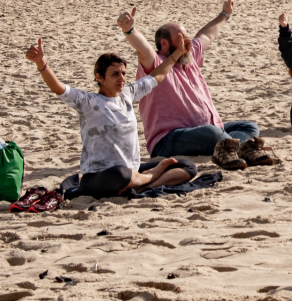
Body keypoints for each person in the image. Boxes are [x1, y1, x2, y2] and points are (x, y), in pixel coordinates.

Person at [28, 36, 199, 199]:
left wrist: (177, 54)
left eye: (124, 73)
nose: (122, 79)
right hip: (100, 176)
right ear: (99, 78)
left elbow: (157, 76)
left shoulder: (127, 94)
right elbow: (59, 88)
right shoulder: (88, 102)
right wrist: (42, 64)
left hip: (133, 169)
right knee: (120, 174)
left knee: (186, 166)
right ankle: (148, 178)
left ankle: (142, 186)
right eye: (115, 74)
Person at [117, 1, 270, 170]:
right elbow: (143, 50)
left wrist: (224, 14)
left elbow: (207, 35)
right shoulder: (157, 65)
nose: (188, 43)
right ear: (165, 44)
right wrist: (129, 31)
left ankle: (231, 148)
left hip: (208, 129)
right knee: (212, 134)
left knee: (248, 127)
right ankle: (241, 149)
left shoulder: (188, 58)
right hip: (168, 139)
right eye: (182, 38)